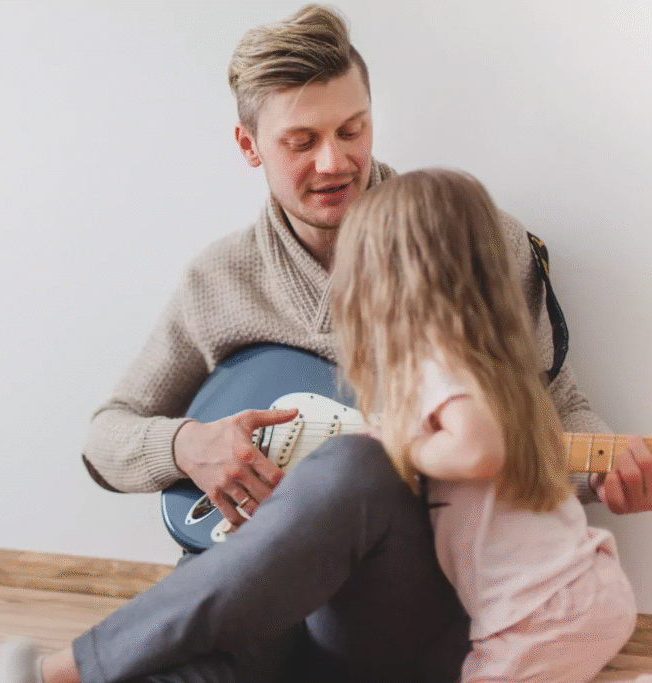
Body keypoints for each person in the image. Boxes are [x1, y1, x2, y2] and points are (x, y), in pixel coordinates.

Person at [58, 3, 650, 682]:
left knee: (357, 465)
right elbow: (104, 439)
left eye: (352, 129)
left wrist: (609, 467)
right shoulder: (218, 281)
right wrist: (187, 445)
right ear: (250, 146)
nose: (334, 161)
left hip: (409, 596)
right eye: (301, 141)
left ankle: (62, 667)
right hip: (257, 586)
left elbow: (551, 402)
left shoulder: (474, 238)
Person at [329, 167, 637, 682]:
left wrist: (399, 445)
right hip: (580, 589)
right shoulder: (495, 368)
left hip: (539, 615)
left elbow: (478, 452)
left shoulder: (440, 363)